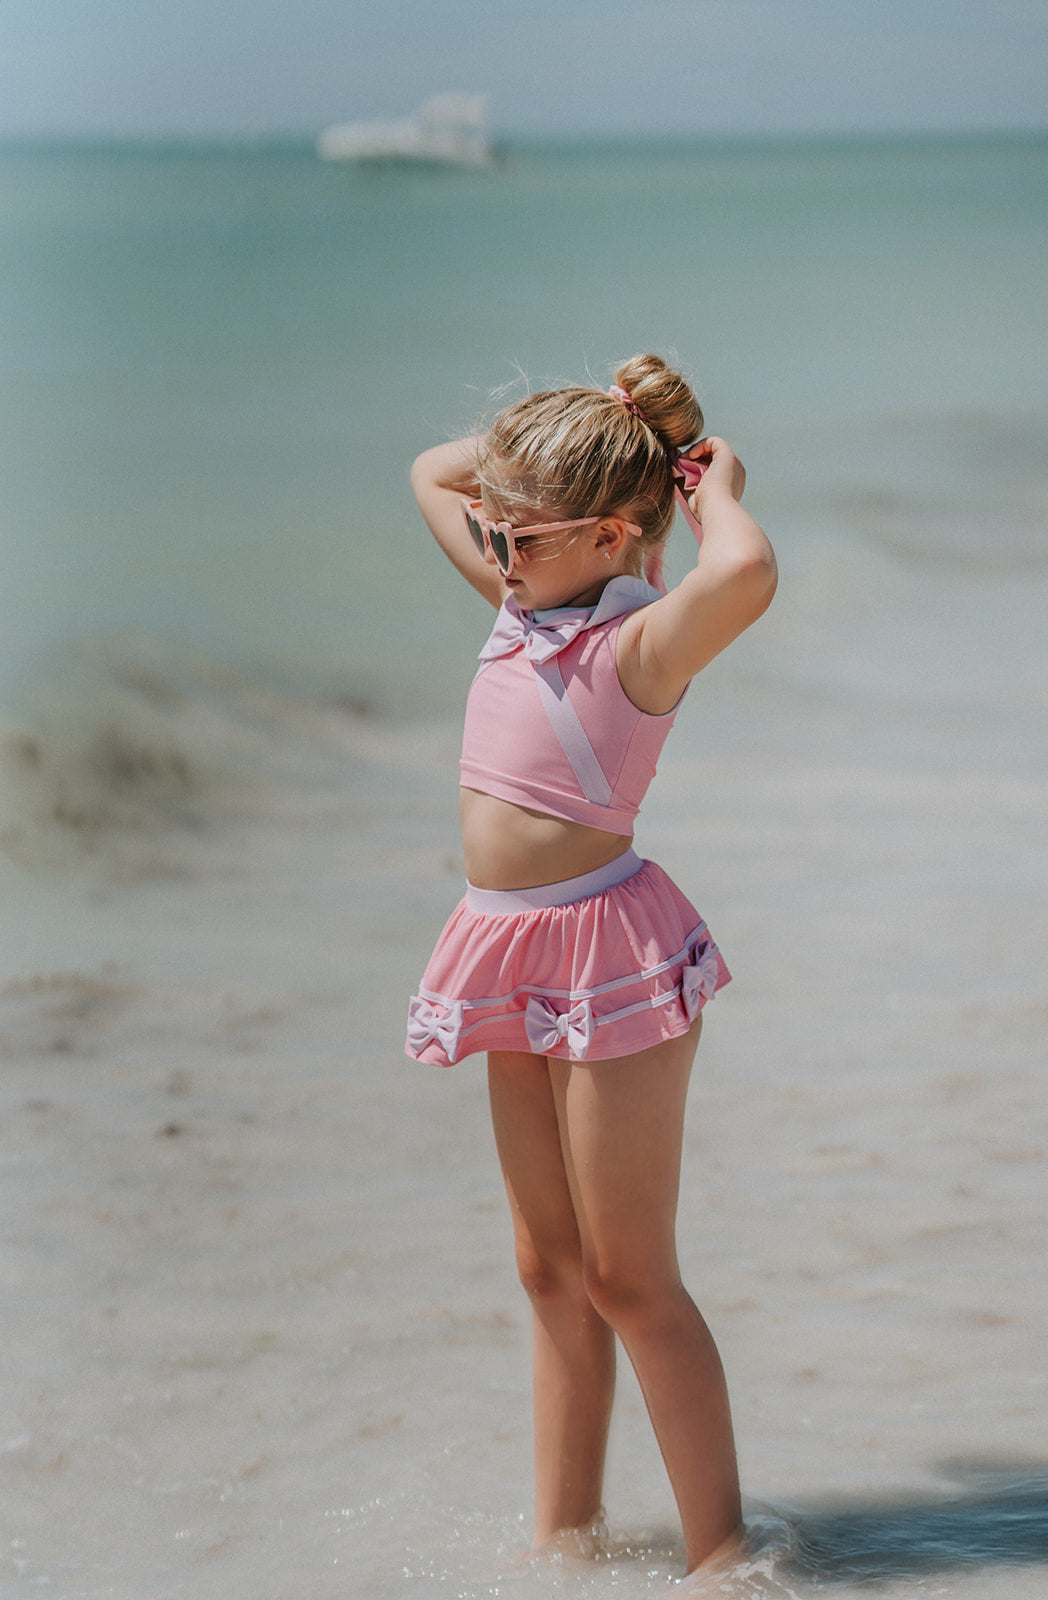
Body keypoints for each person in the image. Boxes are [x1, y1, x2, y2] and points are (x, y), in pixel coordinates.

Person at [405, 354, 777, 1581]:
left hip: (607, 953)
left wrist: (709, 479)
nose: (494, 549)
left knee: (628, 1275)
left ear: (612, 534)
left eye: (518, 536)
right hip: (511, 953)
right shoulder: (520, 600)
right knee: (548, 1269)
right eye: (495, 533)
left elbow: (747, 569)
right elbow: (433, 471)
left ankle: (722, 1554)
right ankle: (562, 1546)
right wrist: (608, 417)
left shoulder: (639, 646)